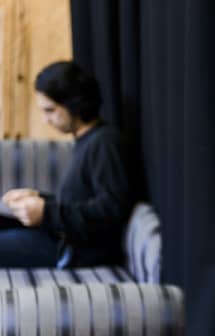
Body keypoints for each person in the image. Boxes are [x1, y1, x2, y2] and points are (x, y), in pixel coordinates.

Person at [0, 61, 132, 268]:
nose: (45, 120)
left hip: (70, 248)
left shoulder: (105, 142)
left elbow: (111, 210)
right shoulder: (87, 140)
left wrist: (46, 213)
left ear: (74, 104)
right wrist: (38, 198)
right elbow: (80, 201)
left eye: (50, 110)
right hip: (58, 236)